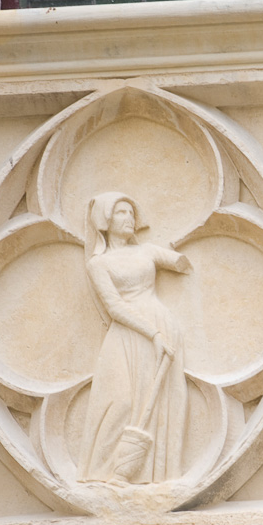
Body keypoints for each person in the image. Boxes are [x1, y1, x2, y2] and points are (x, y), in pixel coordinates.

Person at [75, 193, 192, 483]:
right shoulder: (98, 264)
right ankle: (103, 472)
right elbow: (114, 307)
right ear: (105, 220)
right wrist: (152, 334)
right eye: (120, 213)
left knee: (165, 399)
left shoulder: (147, 251)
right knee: (121, 400)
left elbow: (182, 263)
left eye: (131, 212)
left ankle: (150, 473)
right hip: (131, 332)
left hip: (161, 324)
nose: (129, 218)